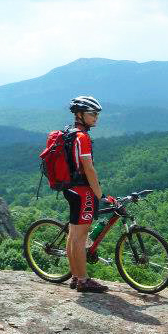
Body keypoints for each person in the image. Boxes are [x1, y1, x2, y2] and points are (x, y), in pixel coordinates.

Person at [63, 95, 114, 293]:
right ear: (80, 114)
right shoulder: (82, 137)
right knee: (80, 237)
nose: (96, 118)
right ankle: (83, 280)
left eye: (97, 114)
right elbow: (89, 168)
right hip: (83, 191)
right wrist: (99, 194)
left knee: (73, 234)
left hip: (70, 189)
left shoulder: (70, 132)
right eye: (93, 114)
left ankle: (75, 276)